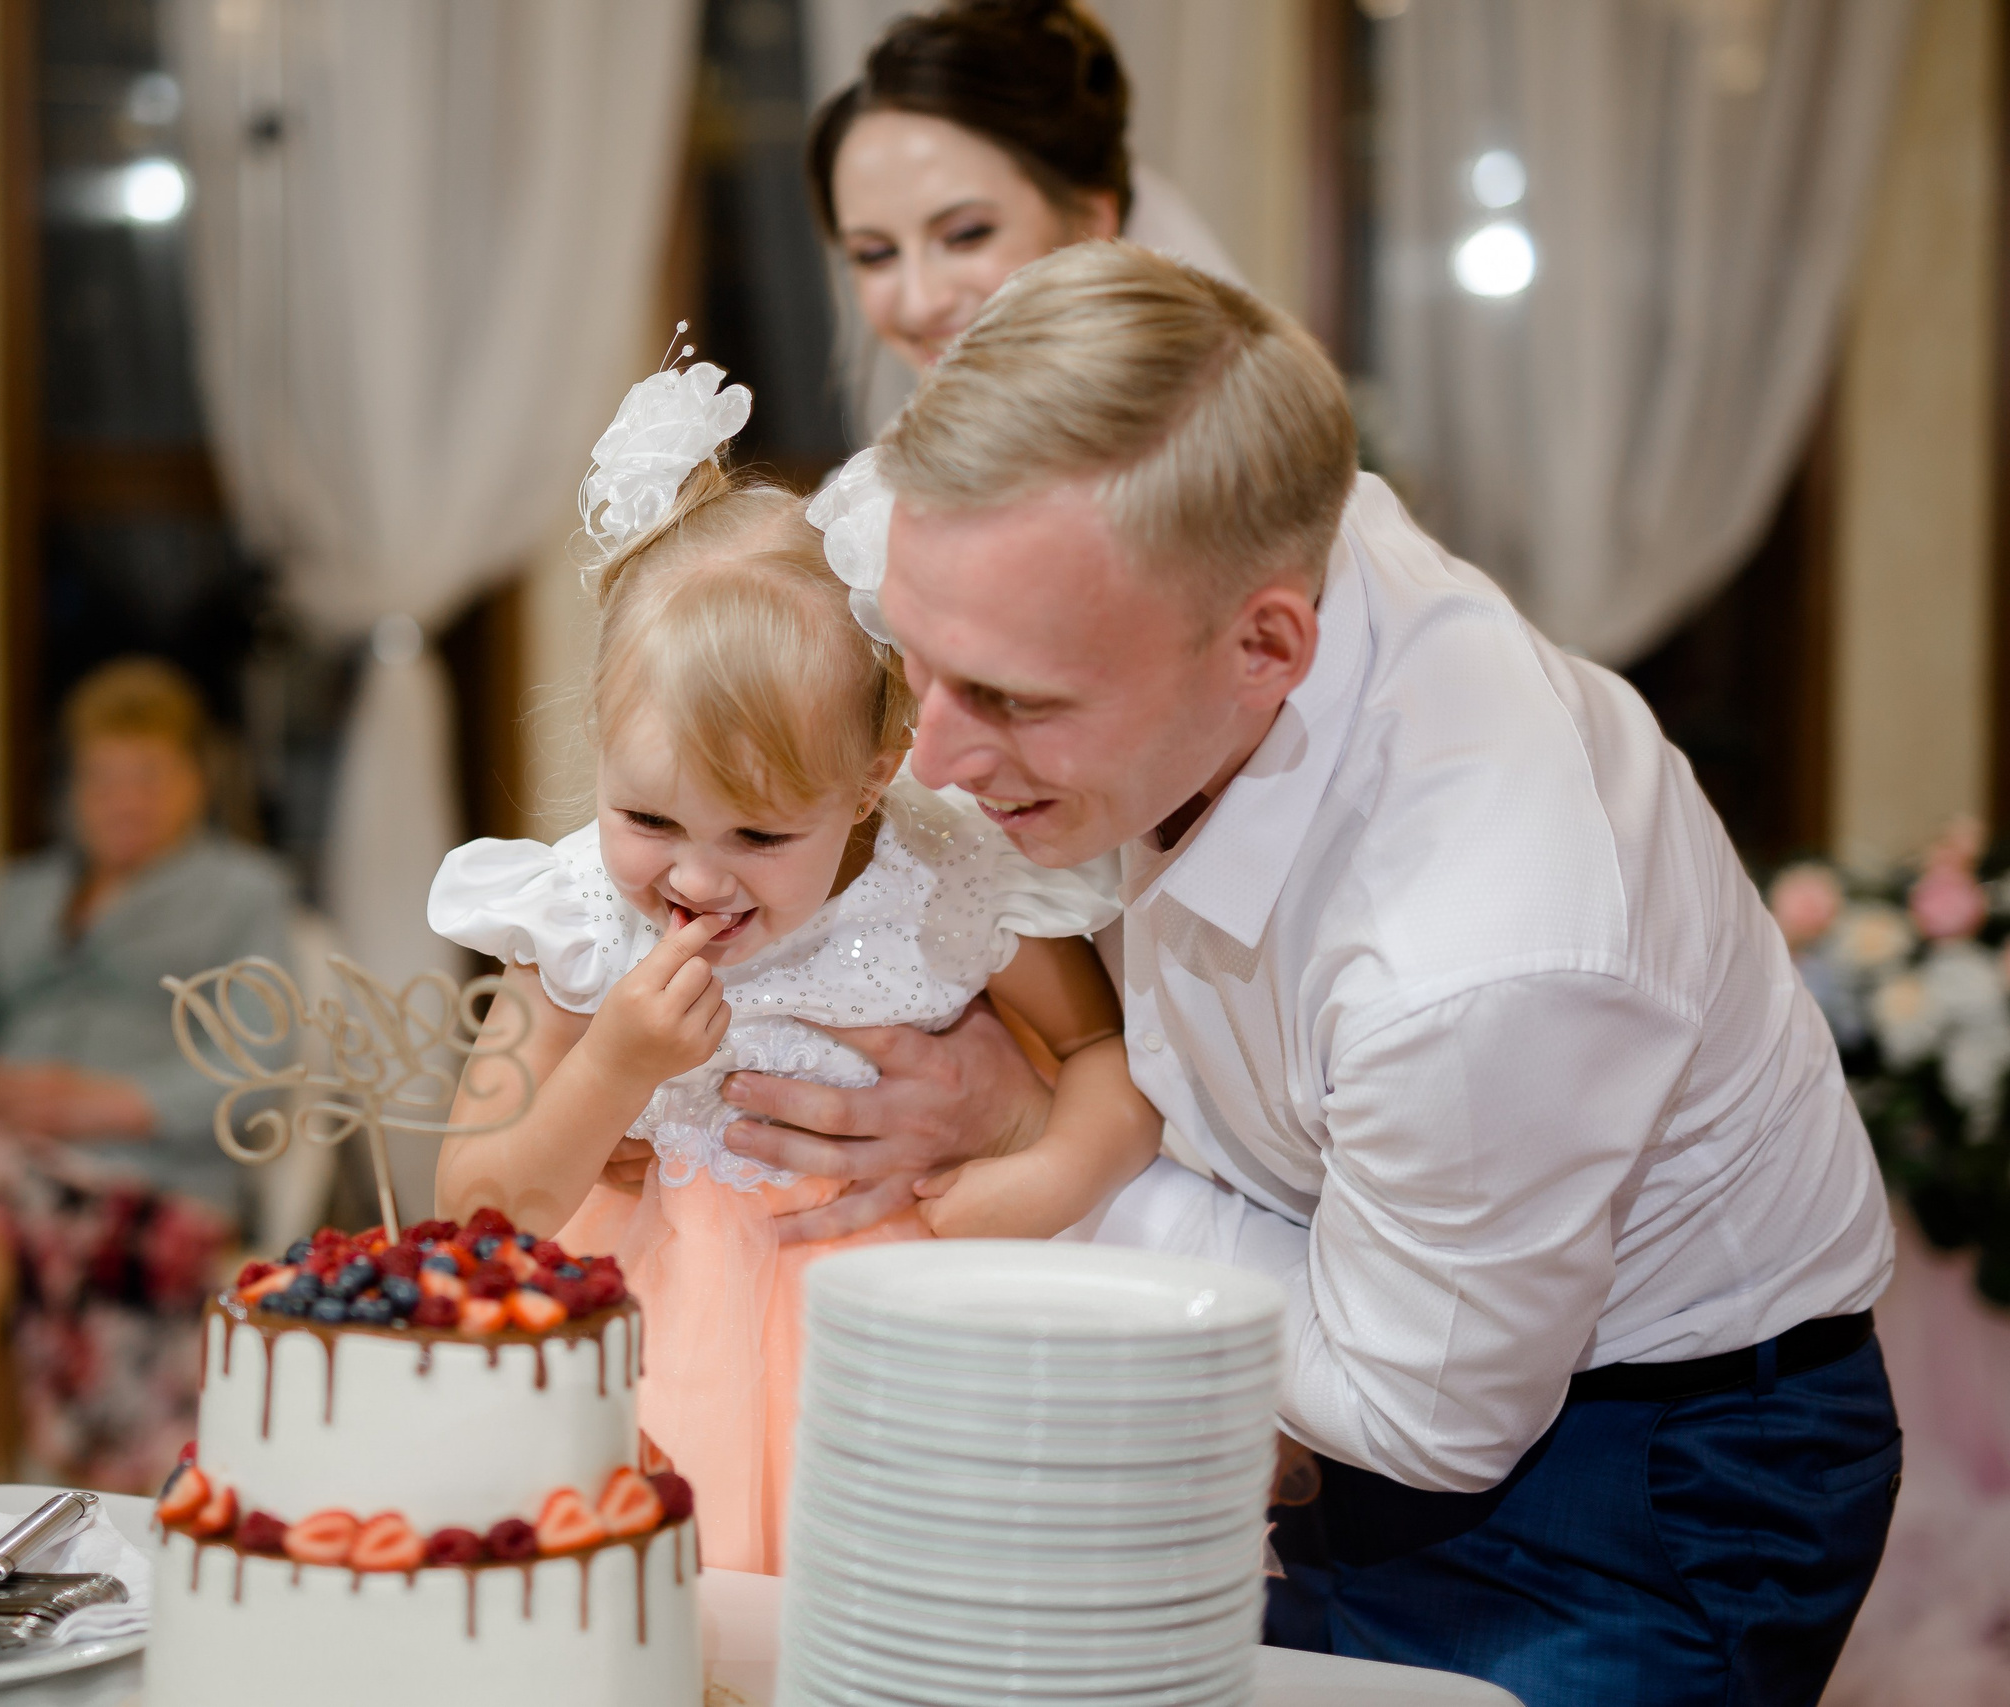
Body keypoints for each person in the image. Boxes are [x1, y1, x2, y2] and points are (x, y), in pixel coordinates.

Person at [734, 240, 1899, 1704]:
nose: (937, 758)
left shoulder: (1482, 951)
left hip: (1623, 1483)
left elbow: (1419, 1406)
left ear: (1267, 644)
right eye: (923, 665)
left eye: (1016, 701)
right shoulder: (1234, 521)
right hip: (1339, 1373)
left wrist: (1046, 1139)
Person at [425, 356, 1127, 1574]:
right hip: (641, 1344)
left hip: (897, 1347)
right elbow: (473, 1210)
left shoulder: (944, 882)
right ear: (598, 747)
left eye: (757, 836)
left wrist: (1055, 1173)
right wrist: (611, 1067)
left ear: (869, 781)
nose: (695, 882)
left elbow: (1106, 1055)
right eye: (648, 821)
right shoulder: (581, 918)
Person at [0, 655, 292, 1491]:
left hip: (147, 1174)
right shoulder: (23, 892)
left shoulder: (241, 894)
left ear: (197, 779)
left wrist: (102, 1106)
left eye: (149, 775)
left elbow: (260, 1066)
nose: (123, 798)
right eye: (102, 777)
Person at [807, 0, 1240, 416]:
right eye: (875, 255)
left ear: (1091, 224)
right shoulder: (869, 487)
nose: (920, 304)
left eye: (966, 234)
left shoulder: (1206, 474)